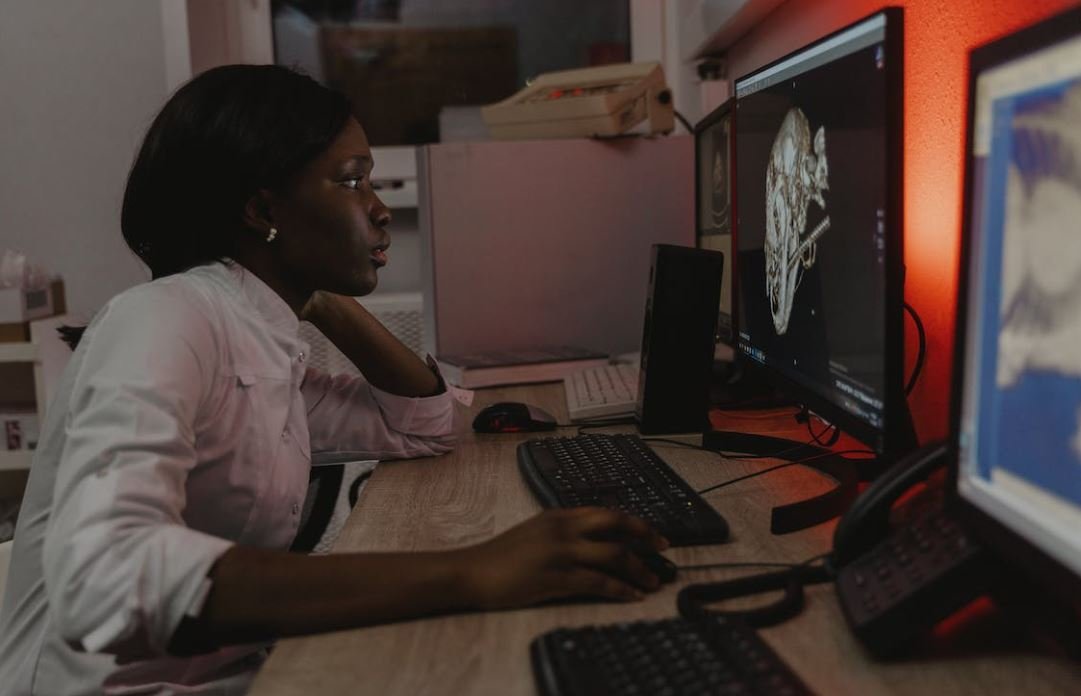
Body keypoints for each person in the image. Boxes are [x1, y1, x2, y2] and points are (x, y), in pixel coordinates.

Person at [0, 65, 667, 695]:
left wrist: (319, 296)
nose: (378, 210)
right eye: (351, 182)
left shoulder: (262, 336)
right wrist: (473, 569)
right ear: (263, 211)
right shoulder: (166, 318)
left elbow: (422, 424)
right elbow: (105, 576)